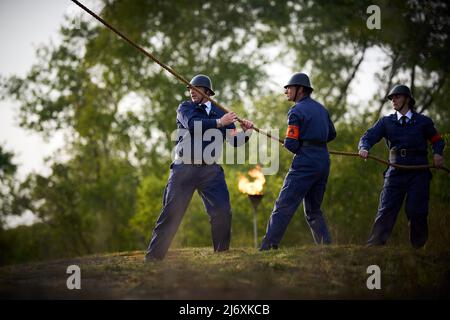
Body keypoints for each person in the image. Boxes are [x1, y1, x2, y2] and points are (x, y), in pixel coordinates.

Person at [144, 74, 253, 261]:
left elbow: (234, 141)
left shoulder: (221, 112)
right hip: (184, 168)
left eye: (196, 89)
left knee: (222, 211)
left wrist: (247, 132)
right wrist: (220, 122)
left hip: (210, 171)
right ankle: (153, 258)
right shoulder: (185, 108)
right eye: (190, 89)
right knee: (171, 214)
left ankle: (222, 255)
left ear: (207, 92)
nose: (191, 92)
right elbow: (194, 126)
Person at [358, 84, 445, 248]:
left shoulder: (423, 122)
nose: (393, 100)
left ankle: (418, 249)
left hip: (419, 172)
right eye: (391, 98)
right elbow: (368, 137)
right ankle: (373, 248)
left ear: (407, 99)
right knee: (386, 210)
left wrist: (438, 153)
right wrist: (364, 148)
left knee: (416, 211)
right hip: (395, 172)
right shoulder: (385, 122)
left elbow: (437, 140)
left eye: (396, 97)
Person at [260, 72, 336, 250]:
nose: (286, 91)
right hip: (323, 160)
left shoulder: (296, 110)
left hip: (305, 161)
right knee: (314, 209)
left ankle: (268, 247)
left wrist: (297, 143)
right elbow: (332, 134)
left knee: (284, 205)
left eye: (289, 88)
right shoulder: (321, 109)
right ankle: (326, 248)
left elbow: (292, 144)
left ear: (300, 90)